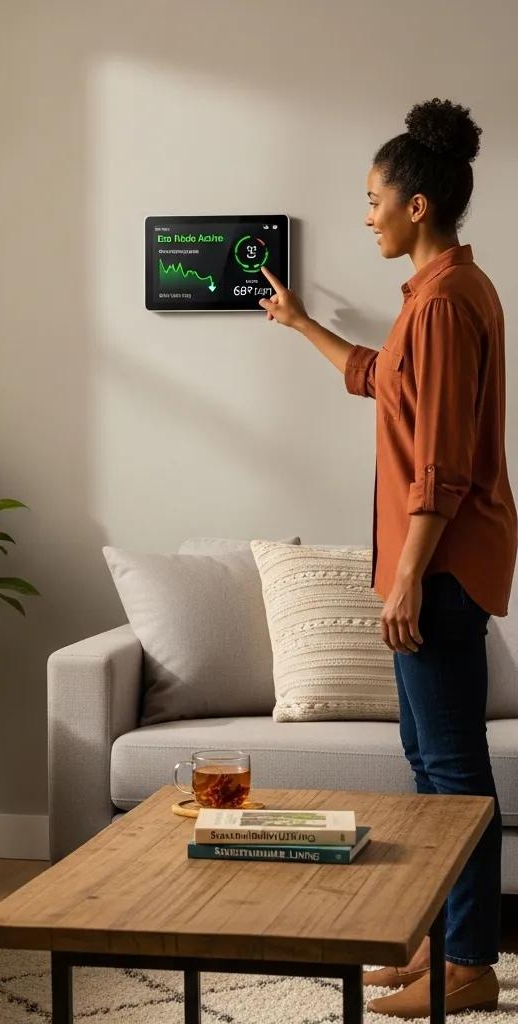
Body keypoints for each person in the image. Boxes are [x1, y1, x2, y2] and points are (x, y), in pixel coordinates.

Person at [259, 97, 517, 1018]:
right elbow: (381, 380)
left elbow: (442, 462)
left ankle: (469, 967)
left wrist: (407, 574)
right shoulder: (435, 295)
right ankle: (443, 949)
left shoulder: (446, 302)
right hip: (432, 566)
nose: (364, 213)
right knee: (429, 762)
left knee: (452, 779)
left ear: (417, 205)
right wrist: (297, 324)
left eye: (373, 198)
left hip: (438, 568)